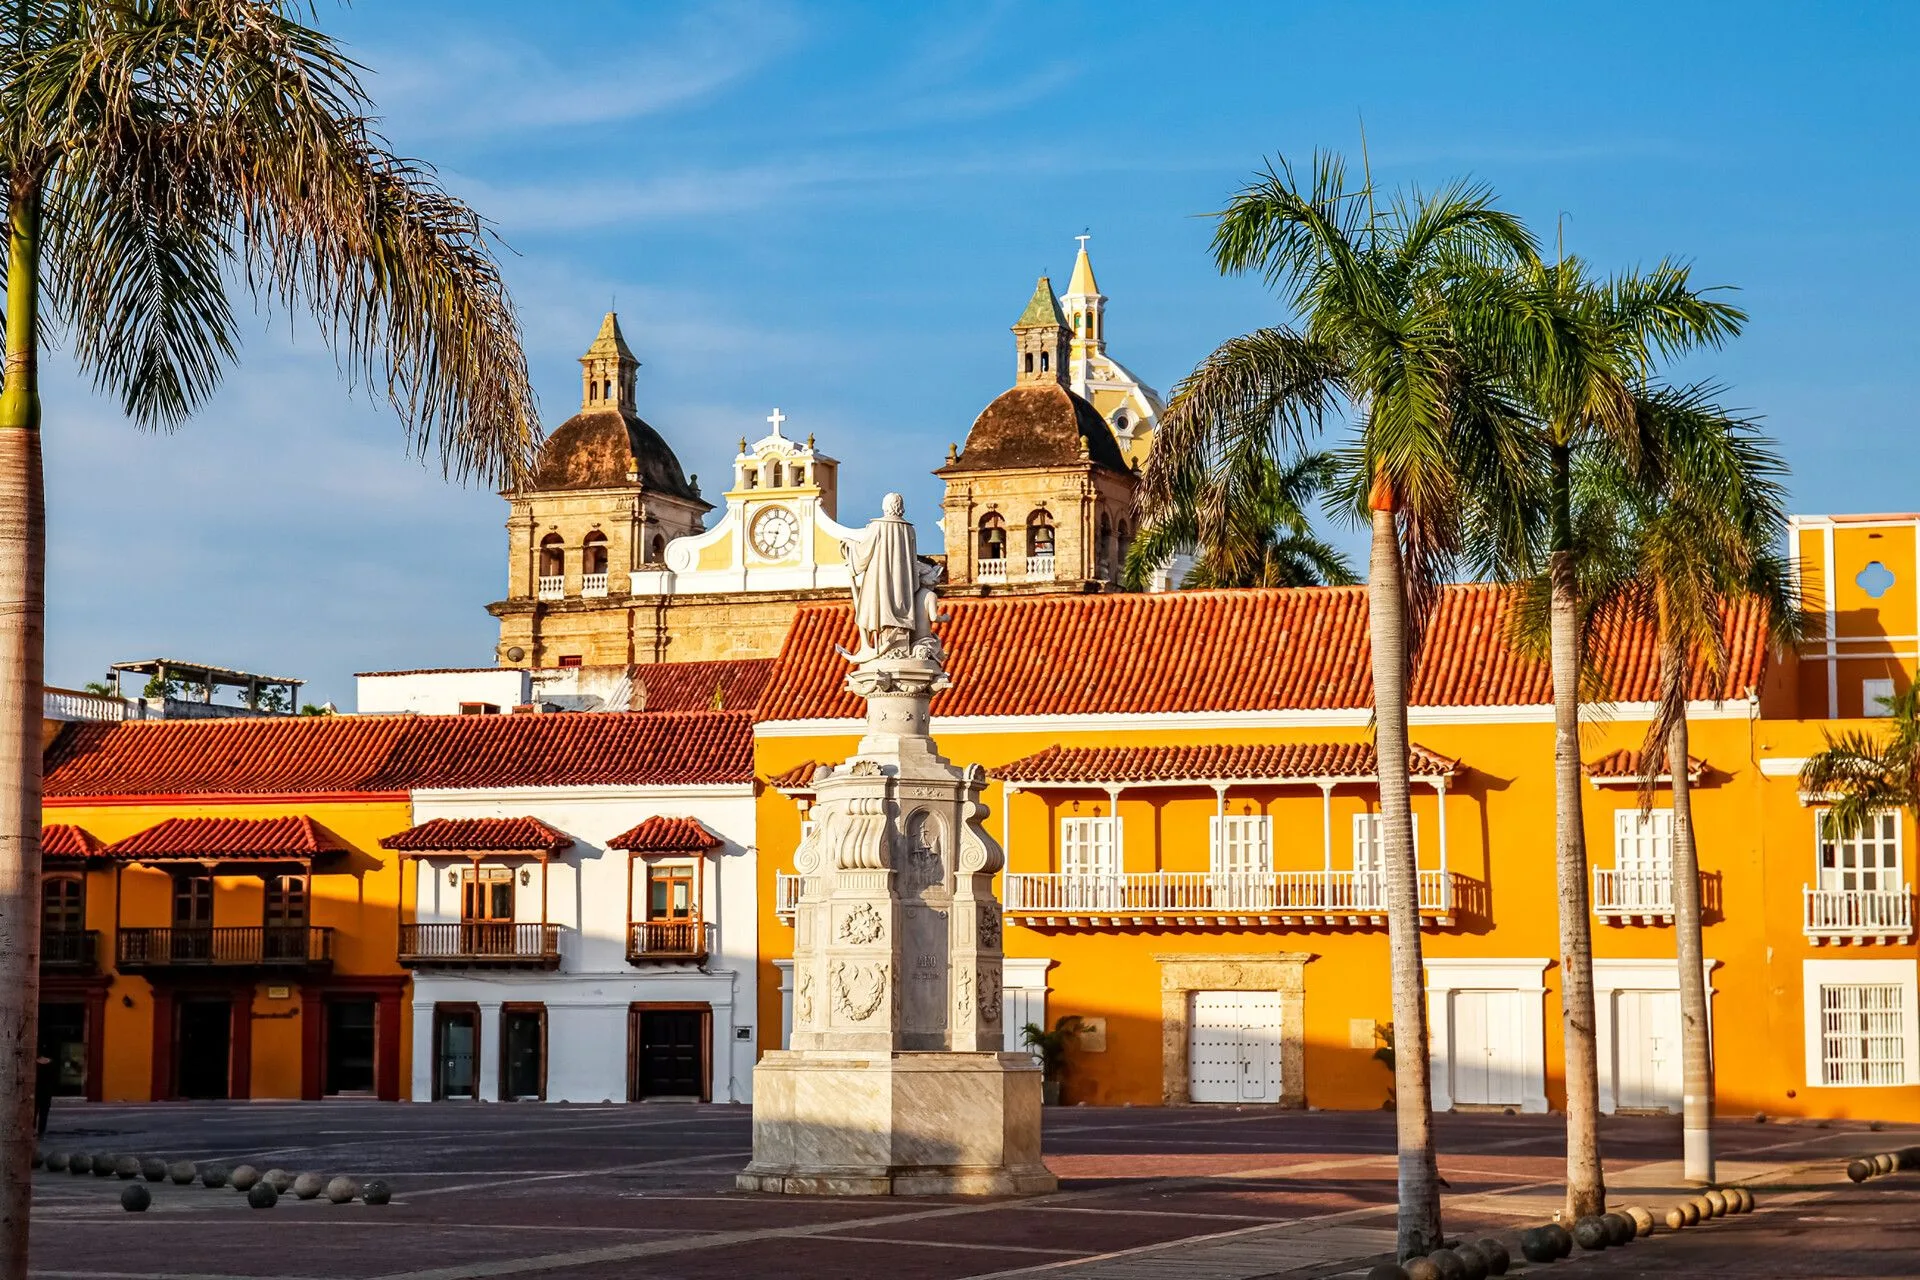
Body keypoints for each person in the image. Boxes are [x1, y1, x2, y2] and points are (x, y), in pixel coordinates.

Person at [34, 1052, 54, 1137]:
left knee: (34, 1111)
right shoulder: (51, 1064)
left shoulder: (35, 1064)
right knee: (44, 1112)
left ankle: (33, 1128)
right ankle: (41, 1131)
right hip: (46, 1091)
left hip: (37, 1090)